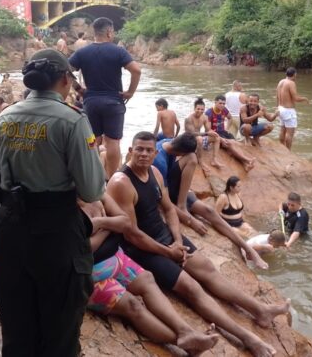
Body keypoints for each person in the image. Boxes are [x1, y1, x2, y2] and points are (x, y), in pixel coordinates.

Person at [109, 132, 289, 357]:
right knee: (192, 288)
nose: (144, 154)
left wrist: (176, 239)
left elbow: (168, 209)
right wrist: (169, 251)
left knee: (208, 270)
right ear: (130, 150)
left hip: (165, 237)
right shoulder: (121, 183)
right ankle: (248, 339)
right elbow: (132, 234)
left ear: (156, 153)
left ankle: (260, 311)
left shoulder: (155, 172)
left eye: (148, 150)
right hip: (142, 249)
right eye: (139, 149)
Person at [0, 48, 105, 356]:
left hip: (9, 229)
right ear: (65, 79)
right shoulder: (72, 121)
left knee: (16, 326)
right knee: (61, 330)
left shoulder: (5, 117)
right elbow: (93, 189)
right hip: (56, 233)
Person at [80, 195, 218, 354]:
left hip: (117, 258)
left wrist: (100, 224)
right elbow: (84, 248)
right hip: (91, 275)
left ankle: (185, 331)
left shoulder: (98, 194)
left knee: (147, 279)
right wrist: (111, 225)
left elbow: (126, 223)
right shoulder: (65, 208)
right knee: (133, 305)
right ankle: (184, 342)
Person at [153, 134, 267, 269]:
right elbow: (163, 201)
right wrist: (190, 220)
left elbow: (196, 137)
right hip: (165, 194)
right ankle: (182, 205)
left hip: (173, 188)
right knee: (192, 158)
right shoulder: (158, 163)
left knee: (210, 211)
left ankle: (249, 249)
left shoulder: (168, 142)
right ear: (181, 152)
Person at [69, 17, 142, 178]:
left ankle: (94, 177)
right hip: (113, 102)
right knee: (113, 142)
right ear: (109, 32)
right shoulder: (118, 51)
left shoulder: (82, 52)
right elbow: (136, 70)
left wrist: (79, 89)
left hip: (91, 102)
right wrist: (130, 92)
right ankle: (111, 177)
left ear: (94, 33)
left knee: (93, 140)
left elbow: (65, 71)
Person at [204, 96, 255, 171]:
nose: (222, 105)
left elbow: (230, 118)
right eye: (220, 103)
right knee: (230, 144)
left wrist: (227, 128)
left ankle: (245, 165)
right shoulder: (209, 112)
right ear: (215, 103)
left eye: (224, 103)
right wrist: (220, 139)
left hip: (223, 132)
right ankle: (247, 160)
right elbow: (208, 129)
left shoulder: (224, 110)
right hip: (214, 135)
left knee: (234, 144)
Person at [184, 98, 224, 171]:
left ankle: (214, 160)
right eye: (198, 109)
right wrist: (206, 133)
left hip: (199, 139)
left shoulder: (205, 117)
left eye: (202, 109)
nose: (200, 111)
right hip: (189, 141)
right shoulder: (189, 119)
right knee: (199, 138)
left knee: (217, 137)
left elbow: (208, 130)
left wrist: (215, 134)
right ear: (194, 108)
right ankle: (200, 161)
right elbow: (192, 134)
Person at [276, 67, 309, 151]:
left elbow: (277, 96)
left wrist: (277, 107)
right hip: (288, 110)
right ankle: (288, 151)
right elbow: (295, 98)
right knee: (289, 133)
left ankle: (281, 148)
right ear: (294, 74)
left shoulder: (281, 82)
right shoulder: (291, 83)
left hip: (280, 108)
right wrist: (304, 99)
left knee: (282, 130)